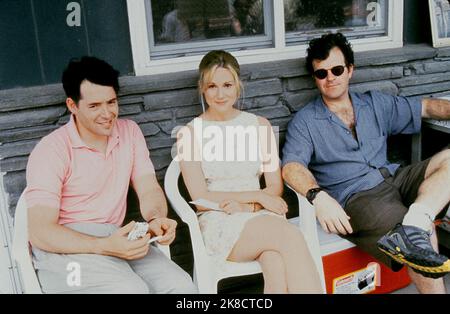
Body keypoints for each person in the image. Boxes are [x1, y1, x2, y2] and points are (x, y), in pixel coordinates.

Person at [282, 33, 450, 294]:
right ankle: (416, 228)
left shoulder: (373, 103)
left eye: (337, 69)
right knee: (419, 240)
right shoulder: (305, 122)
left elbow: (426, 108)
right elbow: (292, 166)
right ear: (315, 78)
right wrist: (319, 197)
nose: (330, 78)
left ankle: (416, 220)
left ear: (350, 70)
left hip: (396, 178)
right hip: (358, 199)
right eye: (321, 73)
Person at [25, 56, 197, 294]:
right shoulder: (51, 150)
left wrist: (156, 218)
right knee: (130, 290)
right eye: (94, 106)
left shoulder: (129, 132)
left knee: (181, 286)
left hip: (115, 236)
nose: (107, 113)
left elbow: (148, 189)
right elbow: (40, 231)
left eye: (111, 102)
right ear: (72, 105)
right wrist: (104, 246)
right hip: (64, 251)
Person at [176, 50, 323, 293]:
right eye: (212, 86)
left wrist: (251, 206)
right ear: (202, 88)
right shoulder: (189, 134)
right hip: (219, 221)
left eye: (227, 85)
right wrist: (257, 196)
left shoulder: (259, 125)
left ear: (238, 86)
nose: (220, 94)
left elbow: (274, 187)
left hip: (259, 214)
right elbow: (200, 199)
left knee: (275, 262)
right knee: (291, 237)